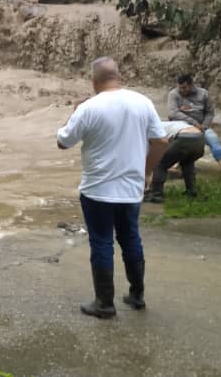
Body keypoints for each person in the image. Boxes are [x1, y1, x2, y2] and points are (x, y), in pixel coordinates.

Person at [57, 57, 168, 318]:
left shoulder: (89, 107)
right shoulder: (143, 102)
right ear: (119, 76)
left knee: (102, 242)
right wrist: (145, 171)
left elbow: (63, 142)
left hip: (97, 190)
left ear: (94, 81)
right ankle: (137, 295)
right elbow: (161, 141)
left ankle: (105, 303)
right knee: (130, 237)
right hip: (131, 188)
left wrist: (74, 112)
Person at [167, 74, 221, 178]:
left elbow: (210, 113)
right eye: (179, 87)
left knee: (214, 140)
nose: (181, 90)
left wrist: (204, 125)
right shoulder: (173, 94)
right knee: (177, 143)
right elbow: (173, 113)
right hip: (180, 126)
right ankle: (173, 165)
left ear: (191, 85)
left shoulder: (203, 94)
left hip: (202, 126)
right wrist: (194, 123)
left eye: (184, 88)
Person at [145, 121, 205, 203]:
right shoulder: (169, 124)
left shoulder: (152, 130)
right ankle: (191, 190)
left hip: (184, 137)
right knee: (187, 162)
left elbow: (155, 150)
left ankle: (156, 195)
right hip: (199, 138)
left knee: (160, 165)